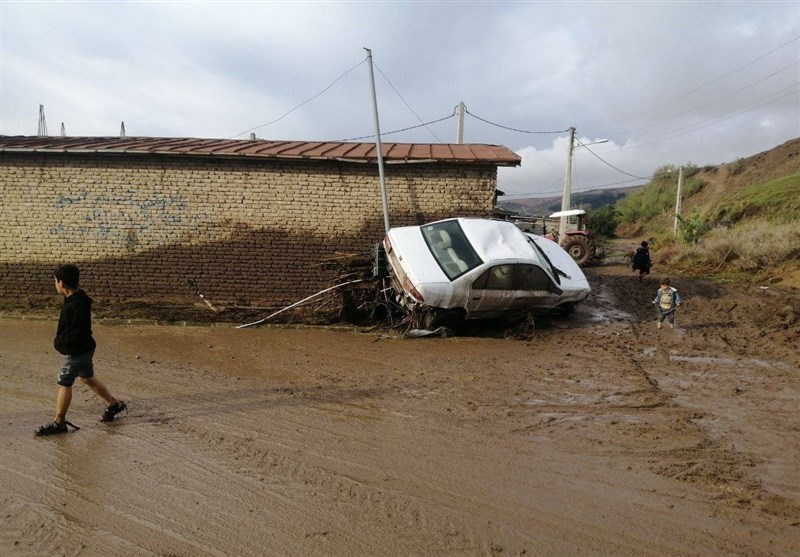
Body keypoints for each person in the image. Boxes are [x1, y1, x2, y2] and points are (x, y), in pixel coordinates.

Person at [35, 264, 127, 436]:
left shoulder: (77, 304)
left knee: (64, 380)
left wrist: (60, 343)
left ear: (61, 283)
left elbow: (78, 331)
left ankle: (59, 422)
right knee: (87, 378)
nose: (55, 284)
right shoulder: (75, 299)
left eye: (55, 281)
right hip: (85, 348)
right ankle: (113, 404)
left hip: (78, 351)